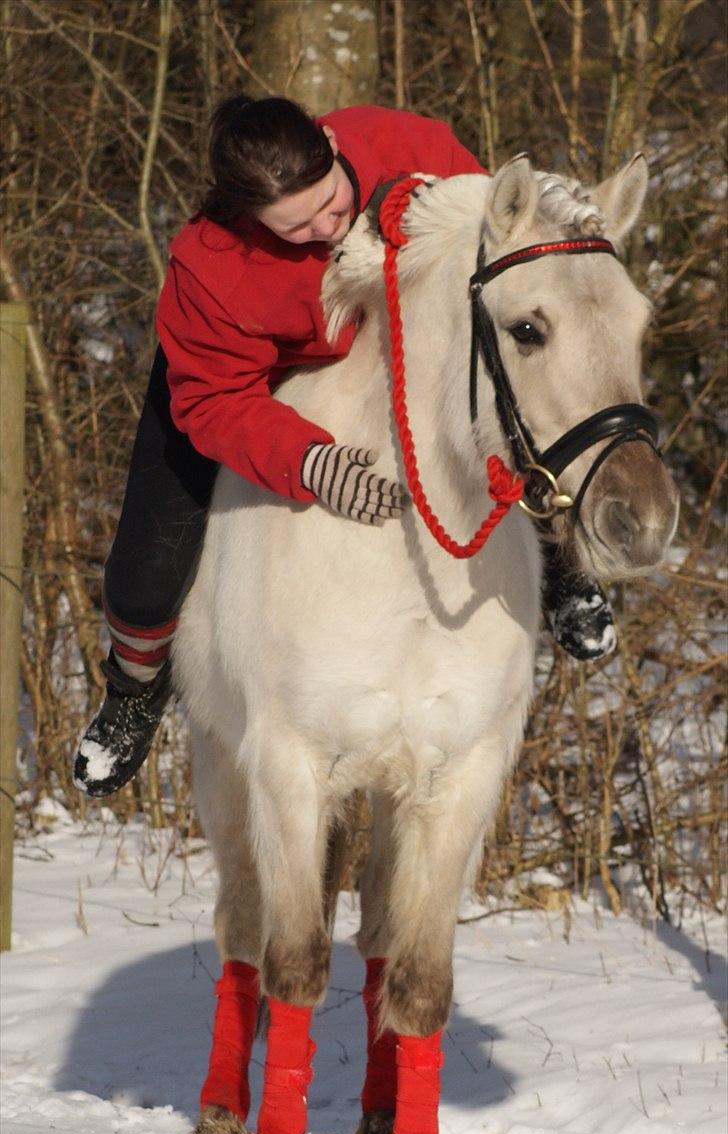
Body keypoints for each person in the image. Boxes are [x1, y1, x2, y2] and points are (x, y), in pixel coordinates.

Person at [74, 95, 615, 799]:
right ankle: (134, 688)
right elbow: (214, 399)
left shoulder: (404, 140)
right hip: (240, 379)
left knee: (512, 408)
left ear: (331, 143)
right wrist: (308, 460)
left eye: (330, 202)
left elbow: (500, 234)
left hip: (397, 337)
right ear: (246, 217)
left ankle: (561, 559)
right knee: (148, 566)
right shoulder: (206, 267)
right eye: (294, 227)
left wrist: (556, 217)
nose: (327, 227)